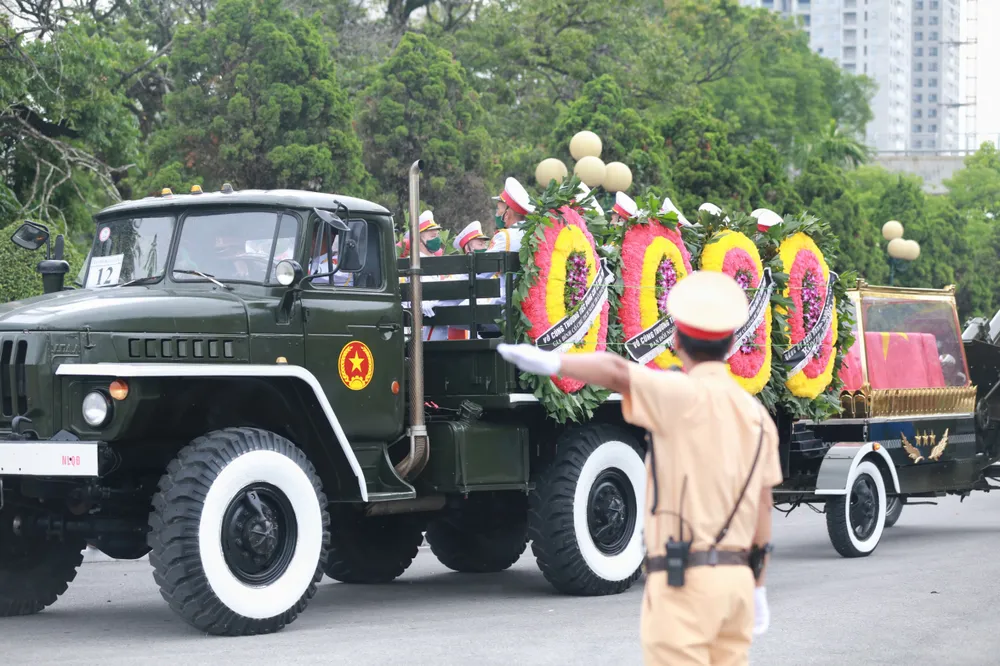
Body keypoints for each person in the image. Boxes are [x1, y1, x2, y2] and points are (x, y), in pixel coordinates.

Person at [496, 270, 781, 666]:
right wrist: (759, 587)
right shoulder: (757, 416)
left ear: (677, 340)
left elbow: (616, 371)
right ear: (733, 342)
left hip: (686, 582)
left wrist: (554, 361)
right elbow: (763, 510)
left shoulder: (678, 394)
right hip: (737, 583)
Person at [487, 176, 535, 253]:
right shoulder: (533, 234)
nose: (496, 213)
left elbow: (485, 262)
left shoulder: (504, 237)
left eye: (498, 209)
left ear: (506, 215)